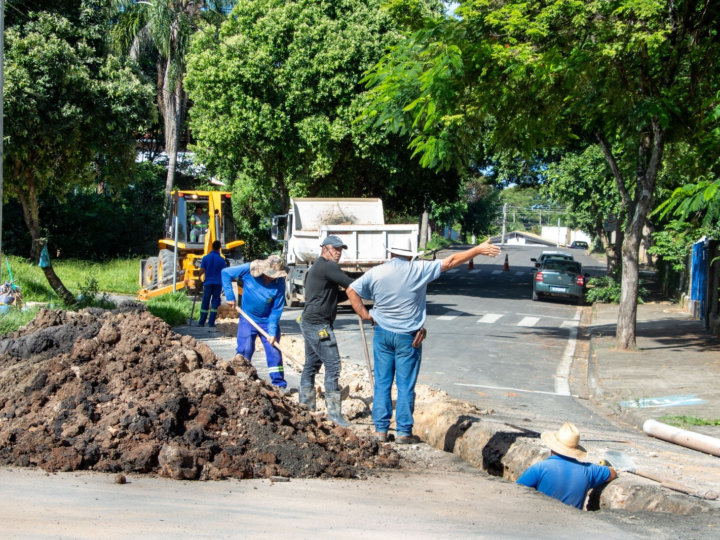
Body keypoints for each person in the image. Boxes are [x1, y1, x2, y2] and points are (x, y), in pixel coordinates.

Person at [347, 238, 500, 443]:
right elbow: (451, 261)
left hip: (382, 334)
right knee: (405, 386)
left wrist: (366, 315)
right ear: (411, 254)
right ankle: (403, 432)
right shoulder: (418, 269)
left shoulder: (376, 272)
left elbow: (351, 291)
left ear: (390, 253)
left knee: (382, 383)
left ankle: (380, 430)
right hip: (408, 338)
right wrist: (478, 250)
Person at [299, 236, 355, 426]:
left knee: (312, 365)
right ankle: (334, 415)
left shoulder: (318, 267)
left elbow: (332, 296)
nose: (339, 252)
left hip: (310, 322)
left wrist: (347, 294)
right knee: (333, 365)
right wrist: (370, 281)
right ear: (324, 248)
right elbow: (351, 284)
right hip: (318, 325)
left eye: (341, 249)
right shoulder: (328, 266)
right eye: (335, 249)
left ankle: (305, 409)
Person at [221, 255, 288, 388]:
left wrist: (273, 331)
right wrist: (230, 296)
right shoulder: (250, 269)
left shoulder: (279, 283)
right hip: (247, 318)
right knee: (245, 349)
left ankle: (279, 385)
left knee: (273, 350)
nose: (272, 277)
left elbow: (276, 310)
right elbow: (225, 273)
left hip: (267, 320)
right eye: (270, 274)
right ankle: (239, 381)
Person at [516, 423, 617, 509]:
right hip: (572, 527)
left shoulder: (539, 468)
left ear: (552, 447)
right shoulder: (589, 471)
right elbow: (612, 473)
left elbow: (514, 492)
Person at [197, 240, 226, 327]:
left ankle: (201, 322)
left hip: (208, 283)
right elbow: (224, 272)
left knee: (205, 301)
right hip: (218, 283)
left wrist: (199, 278)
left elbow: (202, 270)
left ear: (212, 247)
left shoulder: (205, 258)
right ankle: (211, 322)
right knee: (215, 302)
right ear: (219, 248)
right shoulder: (221, 260)